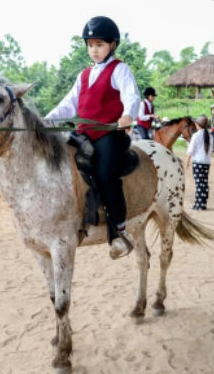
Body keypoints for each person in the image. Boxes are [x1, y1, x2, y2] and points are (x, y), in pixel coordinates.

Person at [46, 16, 141, 260]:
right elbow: (69, 104)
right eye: (90, 45)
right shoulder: (84, 74)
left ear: (112, 45)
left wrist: (128, 115)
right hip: (84, 134)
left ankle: (119, 231)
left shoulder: (120, 69)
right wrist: (47, 120)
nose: (94, 50)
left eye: (99, 44)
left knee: (105, 175)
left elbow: (132, 96)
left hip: (110, 134)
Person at [185, 115, 214, 210]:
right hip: (206, 162)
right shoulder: (210, 136)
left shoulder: (196, 136)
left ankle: (198, 204)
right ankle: (203, 203)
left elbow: (190, 151)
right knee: (204, 182)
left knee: (199, 183)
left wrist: (187, 163)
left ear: (198, 124)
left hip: (197, 161)